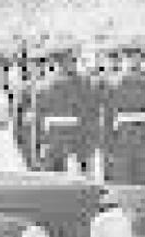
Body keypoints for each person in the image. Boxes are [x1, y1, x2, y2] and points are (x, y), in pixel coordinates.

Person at [101, 45, 145, 186]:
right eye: (129, 58)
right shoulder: (112, 83)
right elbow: (107, 118)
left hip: (142, 140)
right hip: (123, 141)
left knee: (141, 181)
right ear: (122, 60)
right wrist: (108, 147)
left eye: (135, 58)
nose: (132, 62)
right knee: (124, 182)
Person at [33, 46, 99, 175]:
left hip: (53, 143)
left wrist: (37, 150)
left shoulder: (42, 86)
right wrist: (89, 147)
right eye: (73, 61)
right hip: (76, 143)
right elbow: (90, 117)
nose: (74, 65)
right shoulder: (84, 84)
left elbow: (37, 123)